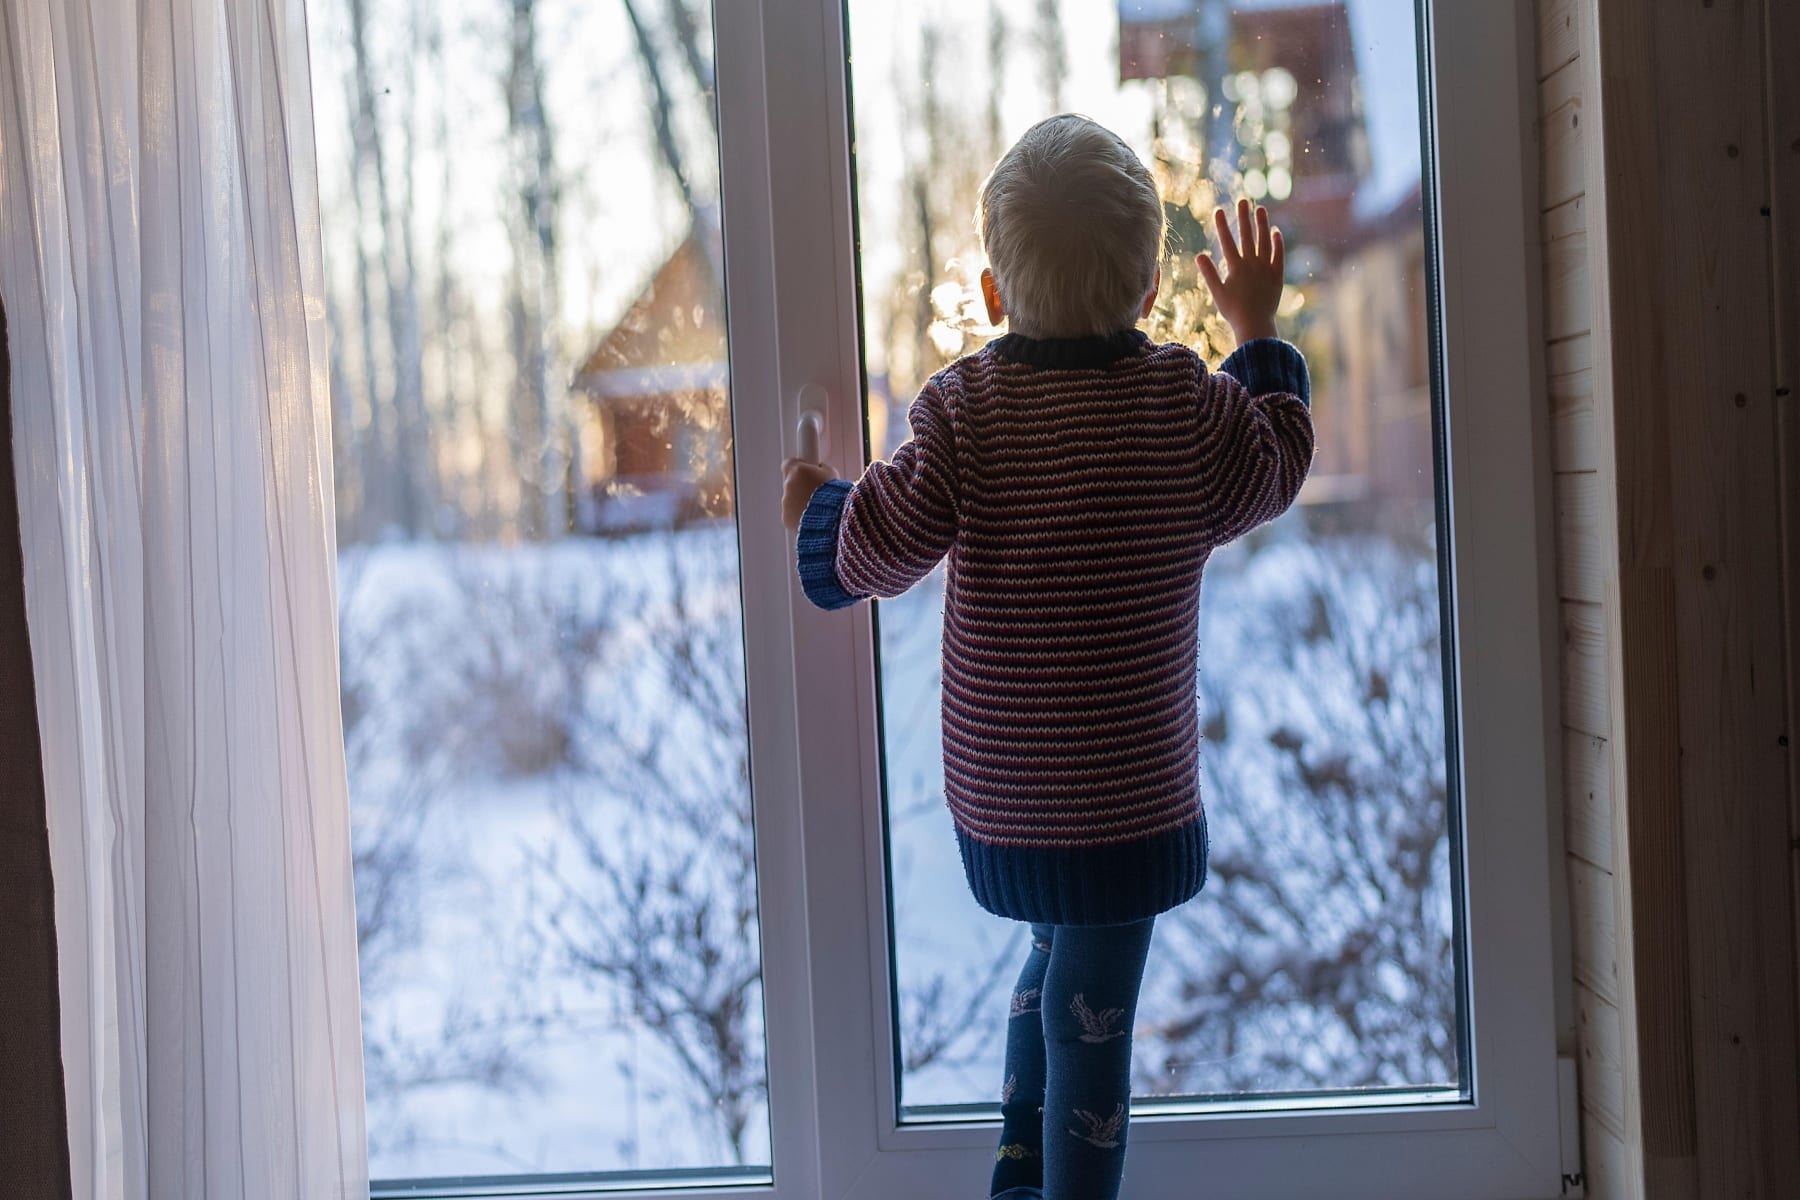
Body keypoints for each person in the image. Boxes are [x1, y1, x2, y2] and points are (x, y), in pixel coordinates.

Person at [782, 113, 1314, 1200]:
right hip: (1126, 808)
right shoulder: (1184, 405)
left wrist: (816, 513)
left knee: (1052, 972)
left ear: (990, 293)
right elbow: (1274, 465)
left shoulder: (967, 410)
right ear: (1153, 291)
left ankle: (1020, 1178)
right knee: (1094, 1031)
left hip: (1011, 799)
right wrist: (1255, 332)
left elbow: (883, 540)